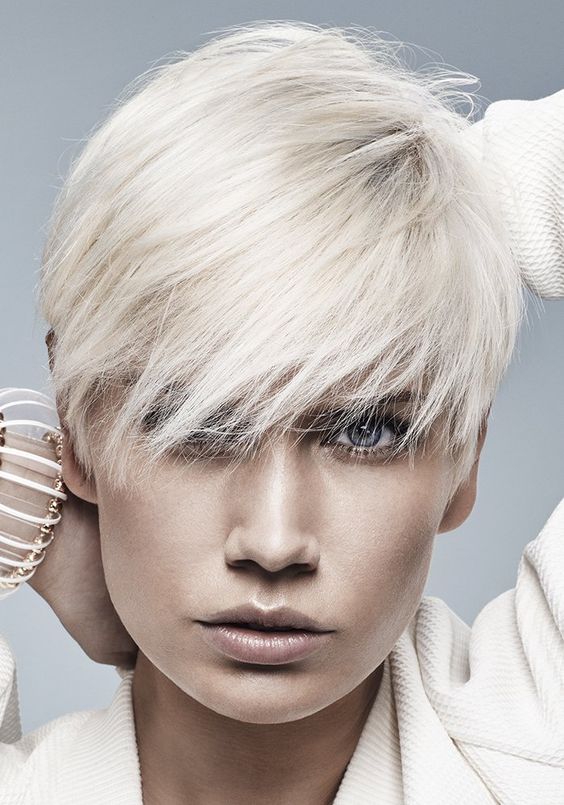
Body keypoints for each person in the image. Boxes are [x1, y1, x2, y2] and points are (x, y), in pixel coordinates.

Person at [1, 20, 563, 805]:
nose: (273, 543)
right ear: (79, 426)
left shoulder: (537, 735)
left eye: (367, 429)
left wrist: (417, 214)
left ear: (466, 451)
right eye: (200, 425)